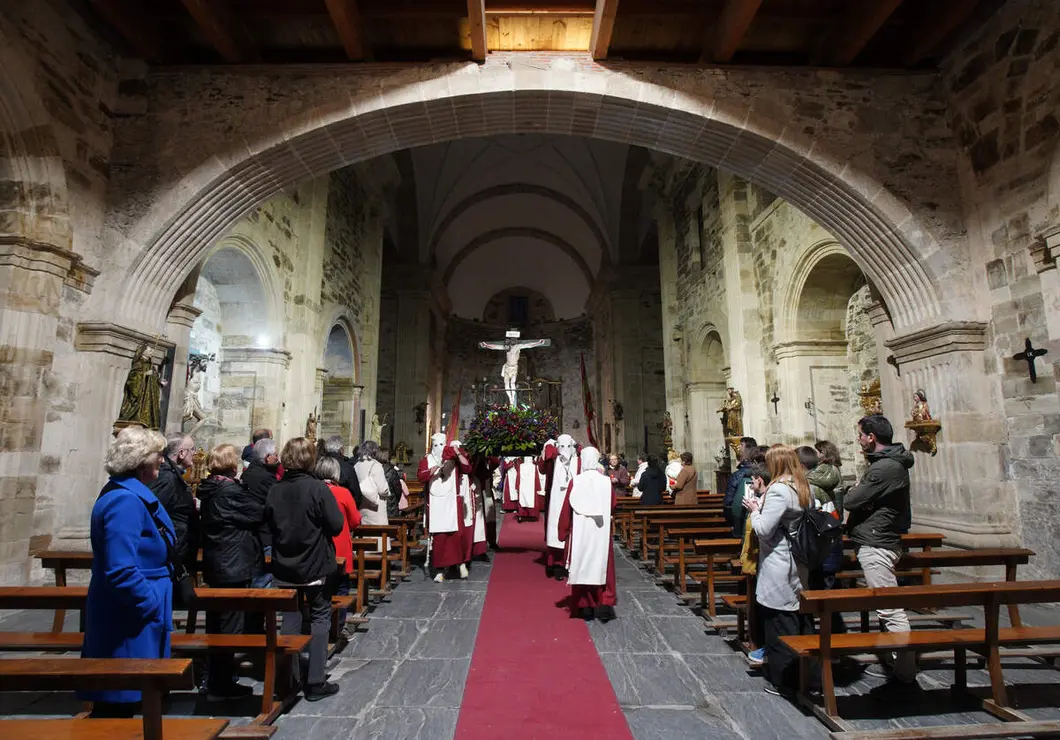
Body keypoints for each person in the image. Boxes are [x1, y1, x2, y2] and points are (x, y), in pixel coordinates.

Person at [80, 426, 173, 718]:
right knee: (120, 696)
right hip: (130, 615)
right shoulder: (125, 501)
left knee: (131, 694)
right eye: (158, 454)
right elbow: (120, 568)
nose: (162, 460)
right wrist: (150, 603)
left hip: (133, 611)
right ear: (141, 459)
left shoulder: (129, 494)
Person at [265, 437, 343, 701]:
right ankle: (316, 681)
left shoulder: (275, 489)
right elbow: (336, 525)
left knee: (291, 617)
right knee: (320, 617)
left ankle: (289, 678)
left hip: (285, 564)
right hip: (314, 563)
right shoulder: (318, 489)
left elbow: (268, 524)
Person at [846, 414, 917, 684]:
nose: (859, 439)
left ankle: (905, 673)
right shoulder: (887, 464)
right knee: (884, 605)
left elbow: (852, 499)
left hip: (876, 542)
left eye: (861, 435)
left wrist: (856, 492)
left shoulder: (884, 468)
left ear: (872, 437)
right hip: (878, 537)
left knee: (889, 607)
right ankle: (892, 659)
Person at [742, 445, 813, 696]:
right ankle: (807, 674)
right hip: (797, 560)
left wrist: (754, 511)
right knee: (797, 616)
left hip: (780, 562)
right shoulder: (802, 486)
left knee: (780, 621)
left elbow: (764, 529)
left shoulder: (779, 490)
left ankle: (785, 679)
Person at [198, 443, 263, 701]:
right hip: (233, 563)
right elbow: (257, 513)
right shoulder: (229, 491)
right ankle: (221, 683)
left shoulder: (211, 488)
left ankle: (214, 677)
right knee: (229, 625)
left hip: (218, 561)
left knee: (217, 623)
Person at [558, 447, 617, 622]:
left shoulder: (576, 481)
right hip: (600, 530)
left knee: (583, 565)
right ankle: (603, 602)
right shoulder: (606, 482)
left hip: (581, 532)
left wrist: (563, 530)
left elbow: (567, 508)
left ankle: (585, 606)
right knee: (601, 565)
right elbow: (613, 504)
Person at [314, 455, 361, 636]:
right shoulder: (342, 493)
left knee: (320, 588)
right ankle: (337, 628)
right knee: (340, 587)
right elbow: (355, 520)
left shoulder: (312, 490)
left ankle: (319, 625)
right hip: (339, 546)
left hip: (317, 547)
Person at [149, 433, 199, 575]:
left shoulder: (171, 475)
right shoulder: (167, 478)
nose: (195, 453)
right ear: (182, 453)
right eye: (192, 449)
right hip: (170, 553)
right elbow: (153, 512)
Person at [426, 441, 474, 582]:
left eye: (442, 444)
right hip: (437, 505)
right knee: (440, 539)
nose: (439, 448)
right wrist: (436, 467)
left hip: (453, 503)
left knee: (457, 536)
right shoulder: (428, 460)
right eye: (436, 445)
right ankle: (440, 570)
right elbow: (422, 476)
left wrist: (457, 452)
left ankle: (460, 563)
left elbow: (467, 468)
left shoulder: (455, 462)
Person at [537, 435, 579, 579]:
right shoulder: (553, 459)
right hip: (555, 500)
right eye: (561, 446)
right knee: (554, 530)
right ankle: (555, 563)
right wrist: (546, 451)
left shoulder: (577, 460)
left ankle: (569, 562)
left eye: (568, 446)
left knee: (570, 529)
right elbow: (542, 468)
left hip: (571, 498)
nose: (564, 450)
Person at [723, 436, 759, 529]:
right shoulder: (761, 471)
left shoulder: (739, 475)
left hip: (742, 520)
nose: (739, 448)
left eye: (741, 445)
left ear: (747, 449)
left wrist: (731, 521)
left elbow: (728, 503)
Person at [354, 440, 391, 526]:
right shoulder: (376, 466)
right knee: (378, 532)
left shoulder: (356, 465)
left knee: (364, 531)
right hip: (375, 509)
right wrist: (388, 491)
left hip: (362, 507)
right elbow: (382, 490)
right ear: (374, 451)